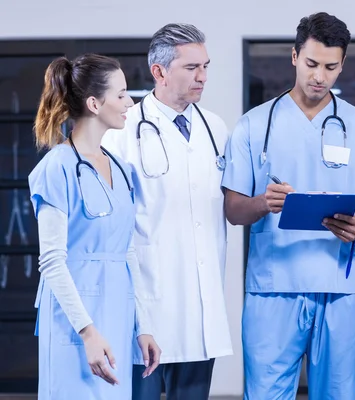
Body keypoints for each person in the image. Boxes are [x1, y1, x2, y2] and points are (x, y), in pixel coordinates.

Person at [221, 12, 355, 400]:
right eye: (312, 64)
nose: (320, 76)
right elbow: (232, 209)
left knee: (338, 395)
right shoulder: (253, 124)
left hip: (339, 285)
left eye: (331, 67)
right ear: (295, 56)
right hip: (273, 288)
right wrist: (263, 203)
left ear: (342, 64)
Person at [101, 23, 232, 400]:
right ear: (159, 72)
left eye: (206, 66)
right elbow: (114, 229)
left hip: (202, 309)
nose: (203, 77)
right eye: (192, 68)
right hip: (148, 308)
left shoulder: (215, 128)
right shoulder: (122, 133)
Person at [29, 54, 161, 399]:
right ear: (93, 103)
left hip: (116, 314)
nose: (129, 103)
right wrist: (87, 332)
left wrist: (142, 327)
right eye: (120, 95)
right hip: (74, 323)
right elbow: (53, 262)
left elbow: (127, 252)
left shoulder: (121, 169)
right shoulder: (56, 168)